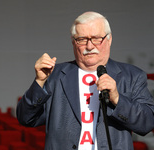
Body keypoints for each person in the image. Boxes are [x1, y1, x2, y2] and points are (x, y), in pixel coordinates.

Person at [16, 11, 154, 150]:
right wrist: (39, 82)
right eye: (82, 39)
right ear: (73, 42)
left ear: (109, 39)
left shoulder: (132, 76)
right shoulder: (54, 75)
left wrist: (117, 99)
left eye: (96, 38)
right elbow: (26, 118)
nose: (89, 46)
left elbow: (147, 123)